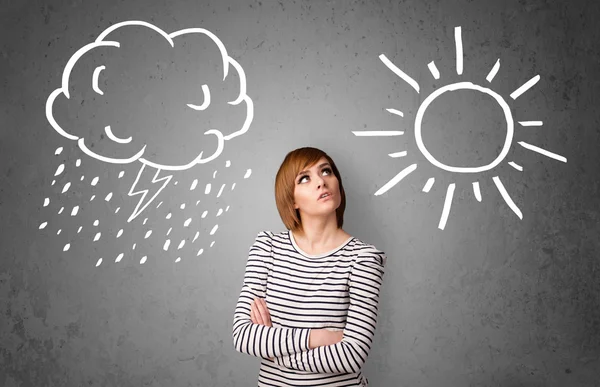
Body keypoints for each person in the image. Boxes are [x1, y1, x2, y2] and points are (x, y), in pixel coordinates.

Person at [232, 147, 387, 386]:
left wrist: (272, 351)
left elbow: (351, 356)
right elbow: (243, 336)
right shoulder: (267, 246)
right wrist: (319, 337)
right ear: (292, 199)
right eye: (305, 178)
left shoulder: (364, 259)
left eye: (326, 171)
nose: (321, 182)